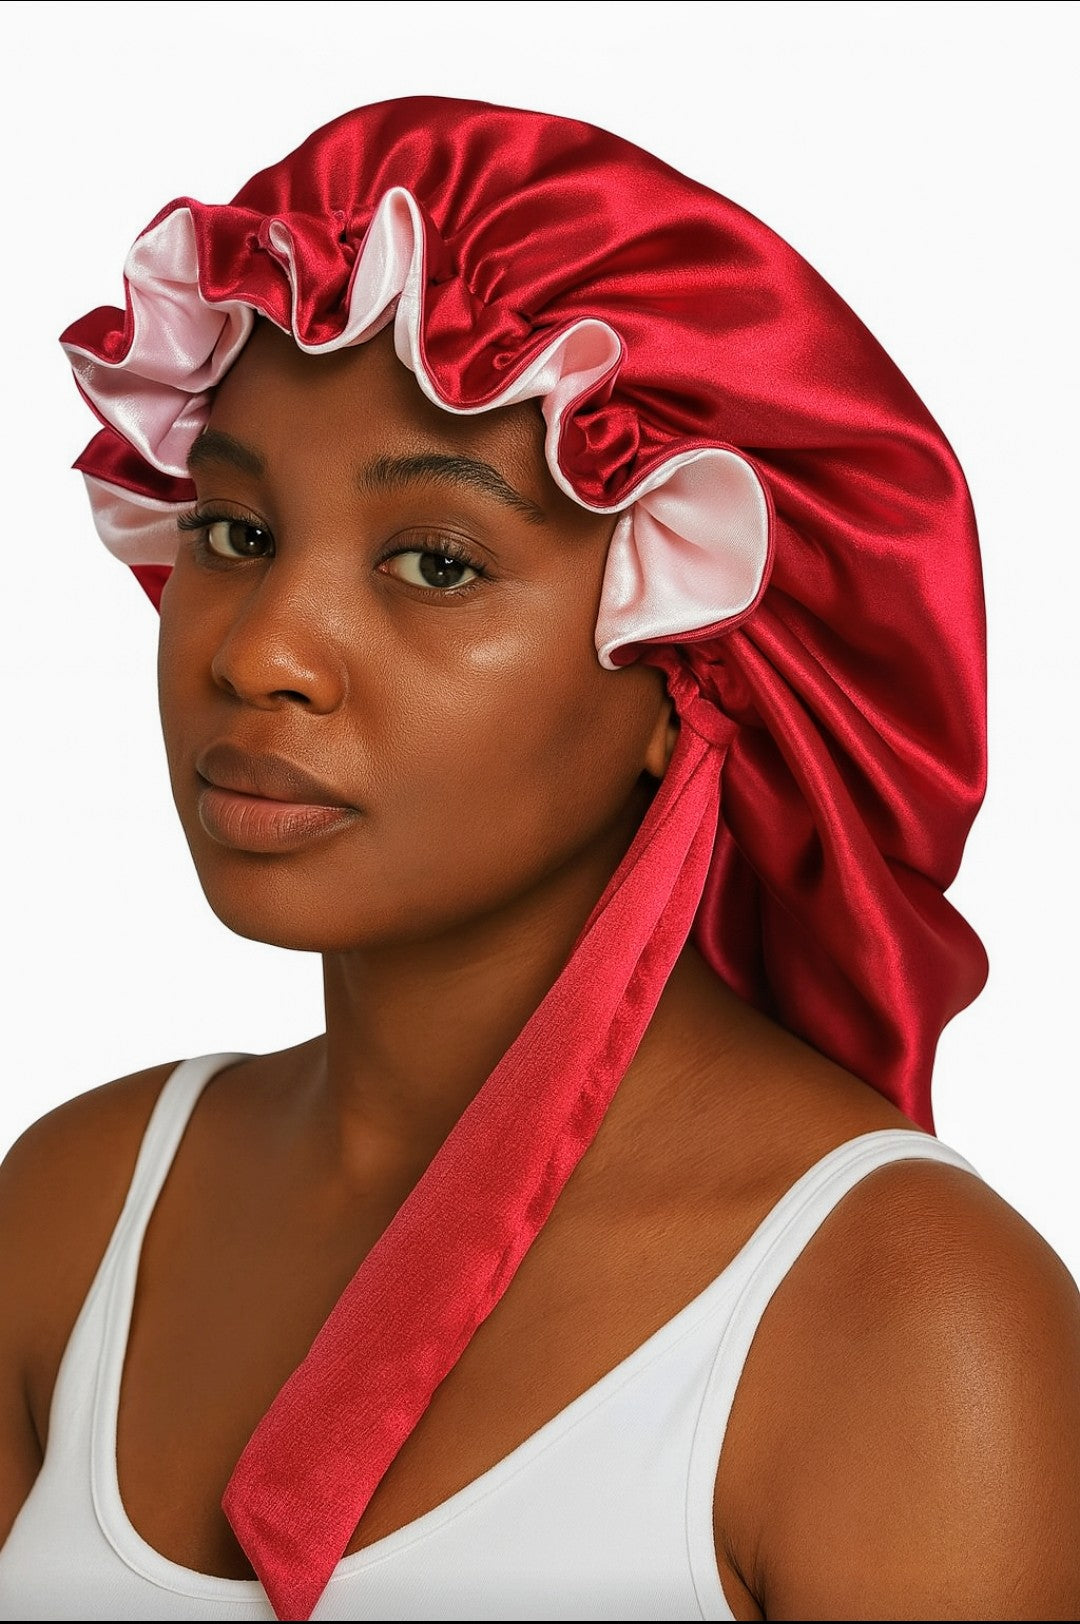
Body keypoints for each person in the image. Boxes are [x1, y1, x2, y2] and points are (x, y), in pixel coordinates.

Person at [1, 95, 1077, 1622]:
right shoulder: (73, 1211)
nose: (260, 654)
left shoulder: (899, 1325)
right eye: (236, 532)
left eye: (435, 562)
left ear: (688, 669)